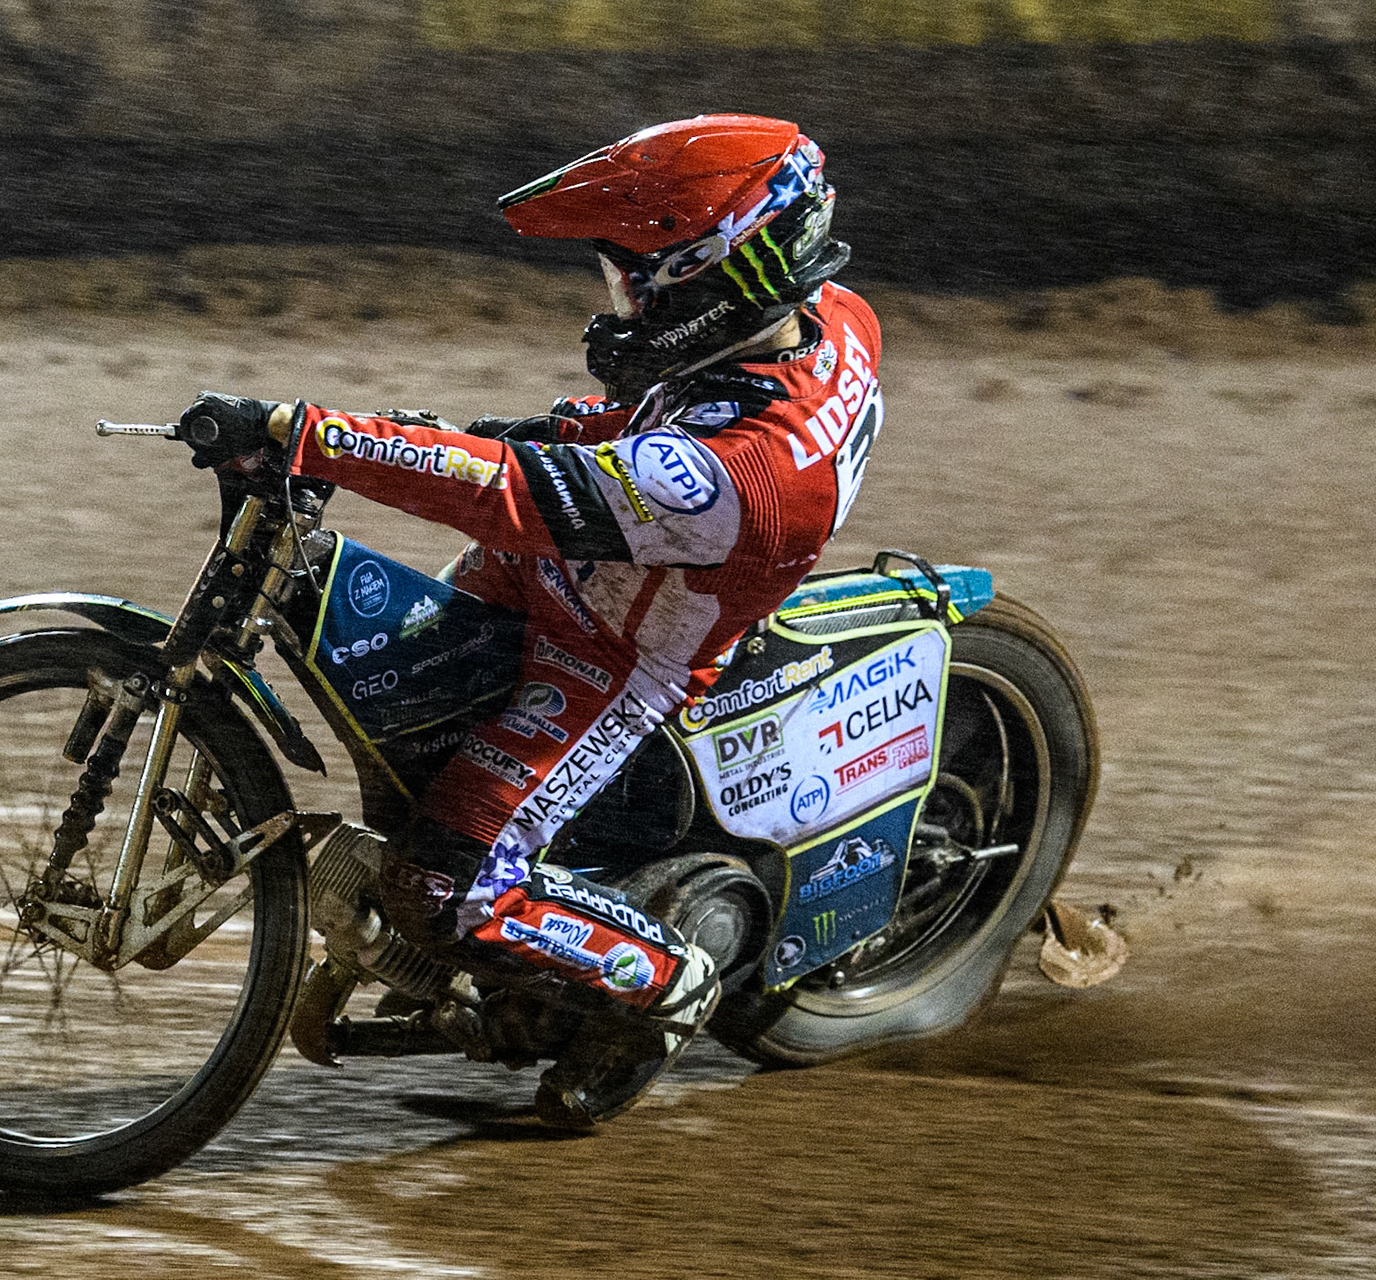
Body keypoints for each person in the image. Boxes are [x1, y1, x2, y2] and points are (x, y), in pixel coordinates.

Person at [179, 114, 884, 1127]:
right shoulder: (834, 319)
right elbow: (644, 432)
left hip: (611, 656)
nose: (624, 302)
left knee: (445, 883)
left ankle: (663, 983)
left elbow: (518, 493)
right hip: (567, 566)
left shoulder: (744, 474)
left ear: (717, 275)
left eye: (638, 278)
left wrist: (314, 434)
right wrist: (544, 431)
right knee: (396, 723)